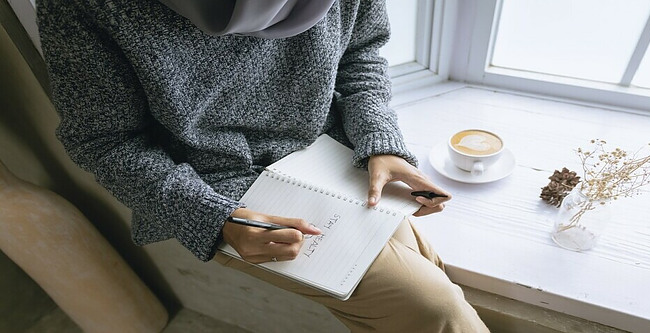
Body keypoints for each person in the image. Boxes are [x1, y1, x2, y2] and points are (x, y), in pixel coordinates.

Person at [37, 0, 489, 331]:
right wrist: (215, 219)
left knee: (431, 290)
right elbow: (105, 140)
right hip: (218, 187)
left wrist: (379, 142)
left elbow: (361, 50)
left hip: (327, 150)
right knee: (435, 310)